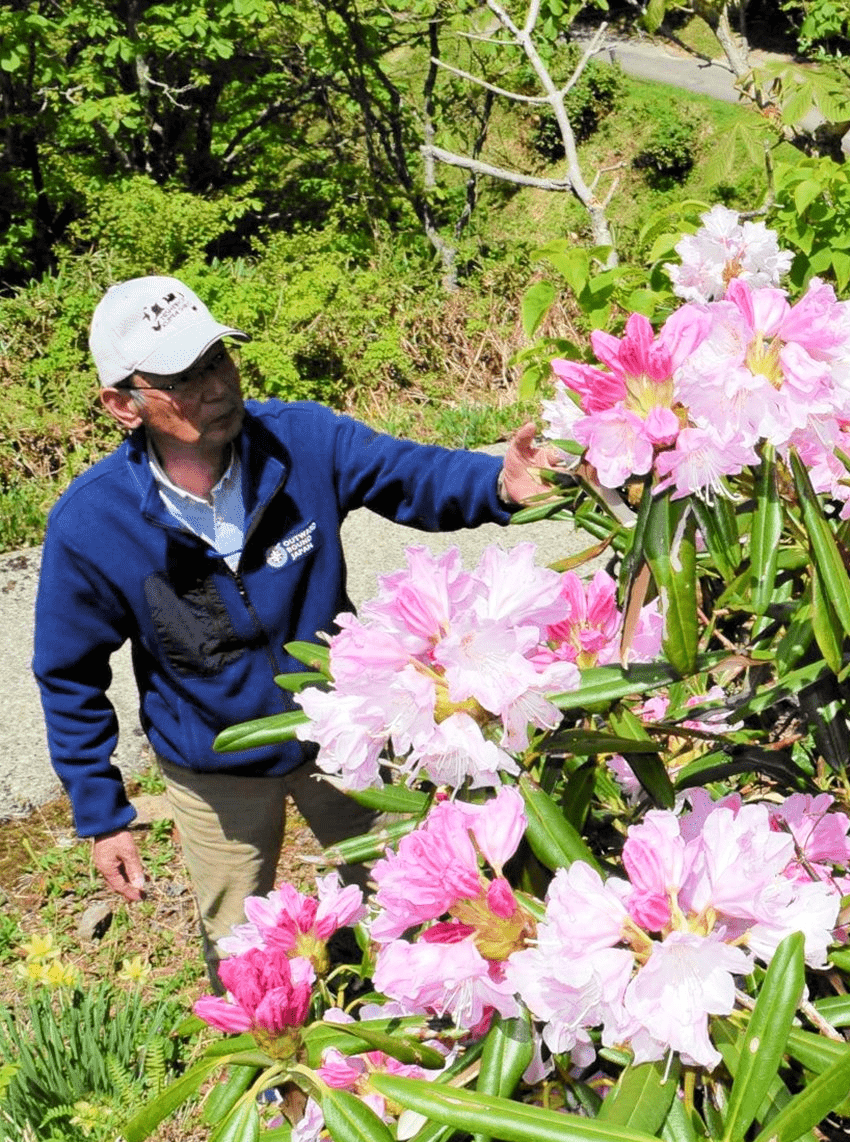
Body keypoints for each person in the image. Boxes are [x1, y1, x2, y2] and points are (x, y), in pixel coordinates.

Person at [33, 275, 554, 967]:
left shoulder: (300, 441)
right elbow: (68, 676)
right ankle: (276, 1060)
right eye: (182, 378)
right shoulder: (93, 523)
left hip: (345, 733)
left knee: (411, 894)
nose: (216, 386)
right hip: (211, 766)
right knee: (238, 943)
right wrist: (102, 816)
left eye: (218, 359)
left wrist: (499, 484)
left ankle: (413, 1030)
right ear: (121, 403)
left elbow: (409, 474)